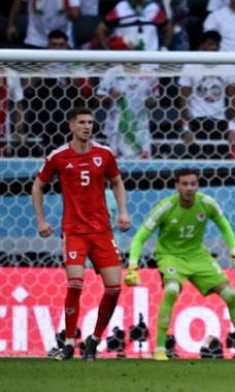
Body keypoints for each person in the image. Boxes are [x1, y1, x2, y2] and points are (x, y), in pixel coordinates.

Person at [123, 168, 235, 362]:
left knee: (231, 295)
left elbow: (224, 225)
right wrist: (133, 266)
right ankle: (160, 349)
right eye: (184, 184)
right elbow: (140, 237)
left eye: (193, 184)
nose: (189, 188)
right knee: (171, 291)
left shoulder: (206, 203)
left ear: (198, 185)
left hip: (197, 255)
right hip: (170, 256)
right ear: (176, 186)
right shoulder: (166, 206)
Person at [31, 107, 132, 361]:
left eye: (90, 123)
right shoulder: (59, 156)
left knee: (114, 288)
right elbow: (38, 185)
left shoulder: (104, 154)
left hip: (101, 231)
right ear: (71, 126)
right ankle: (67, 343)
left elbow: (117, 181)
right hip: (74, 231)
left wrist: (123, 211)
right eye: (82, 122)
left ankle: (94, 339)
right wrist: (41, 220)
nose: (87, 126)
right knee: (75, 284)